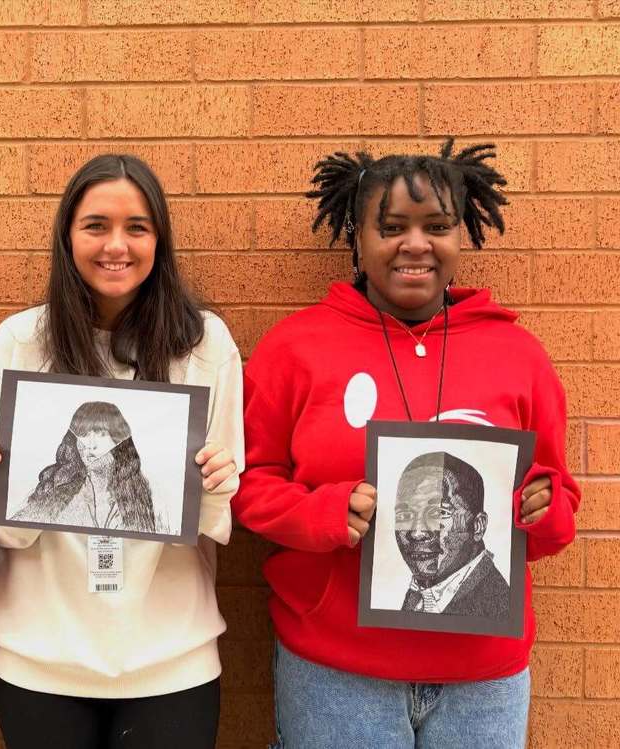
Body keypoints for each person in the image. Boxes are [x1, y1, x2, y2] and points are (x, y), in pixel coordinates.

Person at [232, 140, 579, 748]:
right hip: (337, 673)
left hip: (482, 678)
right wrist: (321, 513)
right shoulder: (295, 348)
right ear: (357, 240)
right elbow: (249, 484)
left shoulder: (518, 356)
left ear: (460, 236)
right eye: (391, 227)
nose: (414, 244)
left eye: (437, 227)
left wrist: (545, 511)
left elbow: (557, 494)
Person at [0, 154, 244, 749]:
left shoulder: (204, 343)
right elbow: (4, 531)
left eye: (137, 227)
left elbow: (214, 522)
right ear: (67, 236)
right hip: (40, 653)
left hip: (172, 654)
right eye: (95, 225)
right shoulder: (19, 342)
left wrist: (218, 481)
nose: (116, 245)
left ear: (158, 239)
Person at [11, 400, 156, 533]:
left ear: (119, 441)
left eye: (101, 434)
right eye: (84, 434)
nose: (90, 445)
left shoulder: (136, 492)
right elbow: (19, 526)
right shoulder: (59, 485)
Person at [394, 451, 508, 617]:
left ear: (478, 526)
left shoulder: (498, 607)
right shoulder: (419, 594)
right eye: (405, 515)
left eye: (438, 513)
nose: (417, 533)